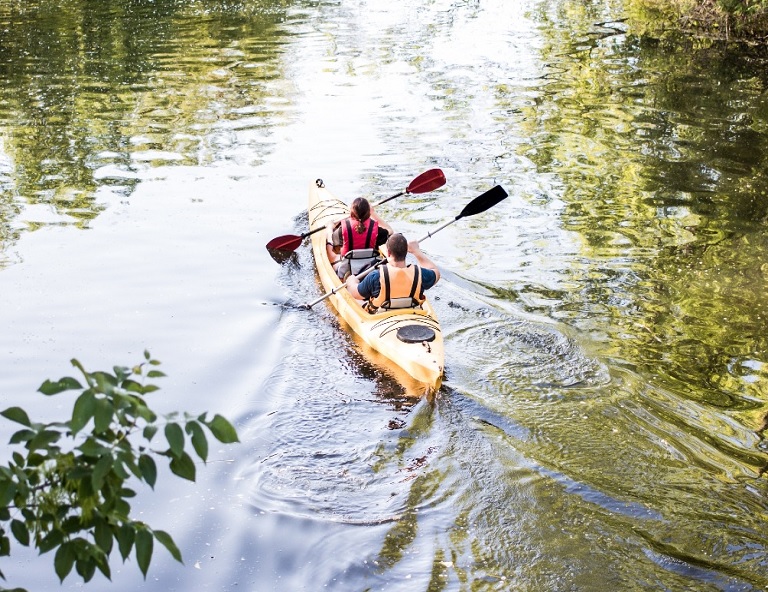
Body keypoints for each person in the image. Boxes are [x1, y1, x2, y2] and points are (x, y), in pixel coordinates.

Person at [346, 233, 440, 311]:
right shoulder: (420, 274)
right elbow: (436, 272)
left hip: (381, 316)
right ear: (406, 252)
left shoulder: (376, 276)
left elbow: (355, 294)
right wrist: (416, 251)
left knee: (356, 300)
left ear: (389, 253)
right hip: (412, 312)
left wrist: (351, 281)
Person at [326, 197, 393, 278]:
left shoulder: (342, 229)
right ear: (369, 213)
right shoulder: (376, 230)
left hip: (348, 270)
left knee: (331, 249)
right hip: (371, 268)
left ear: (351, 213)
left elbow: (333, 243)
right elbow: (390, 231)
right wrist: (374, 214)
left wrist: (330, 228)